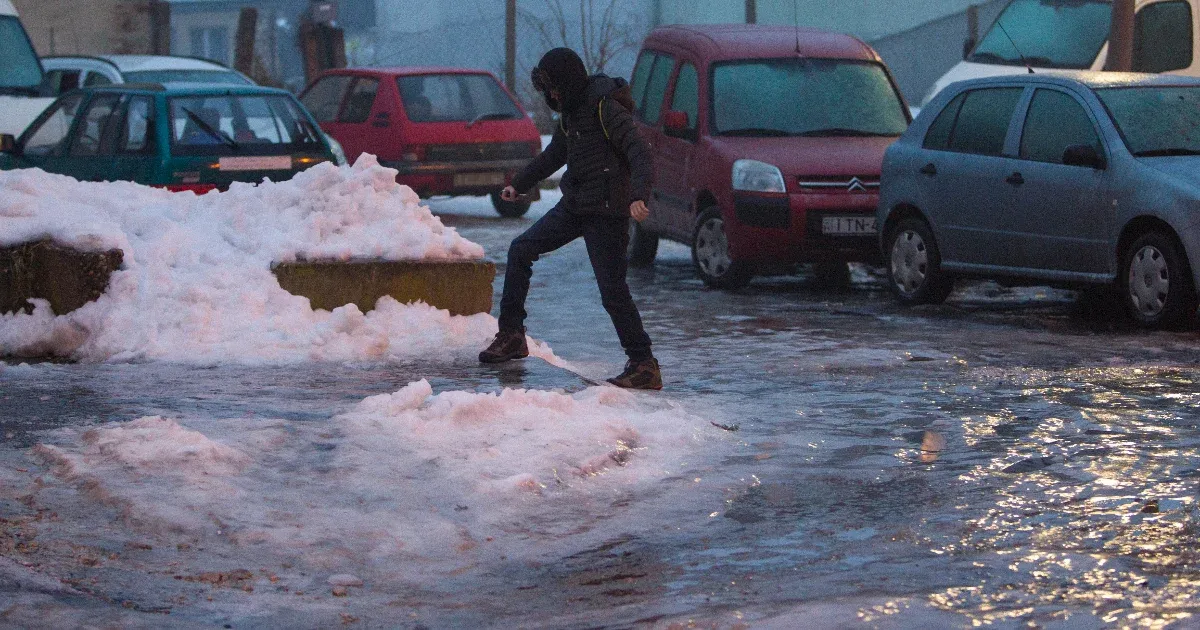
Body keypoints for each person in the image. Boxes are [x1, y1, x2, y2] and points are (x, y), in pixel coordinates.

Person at [478, 48, 662, 390]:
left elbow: (640, 152)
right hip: (575, 205)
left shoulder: (605, 108)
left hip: (606, 212)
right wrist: (519, 184)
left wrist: (638, 195)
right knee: (520, 249)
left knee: (613, 292)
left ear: (569, 82)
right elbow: (554, 155)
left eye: (554, 88)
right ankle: (512, 336)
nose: (552, 96)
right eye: (547, 91)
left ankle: (643, 364)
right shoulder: (570, 114)